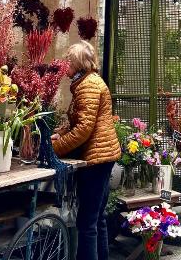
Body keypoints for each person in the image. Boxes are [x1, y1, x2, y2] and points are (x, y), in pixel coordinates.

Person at [52, 41, 121, 260]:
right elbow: (81, 120)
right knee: (96, 219)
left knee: (87, 222)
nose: (65, 65)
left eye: (68, 61)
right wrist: (62, 132)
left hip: (96, 158)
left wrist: (56, 148)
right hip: (103, 155)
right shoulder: (87, 81)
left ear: (78, 62)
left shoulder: (88, 85)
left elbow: (83, 130)